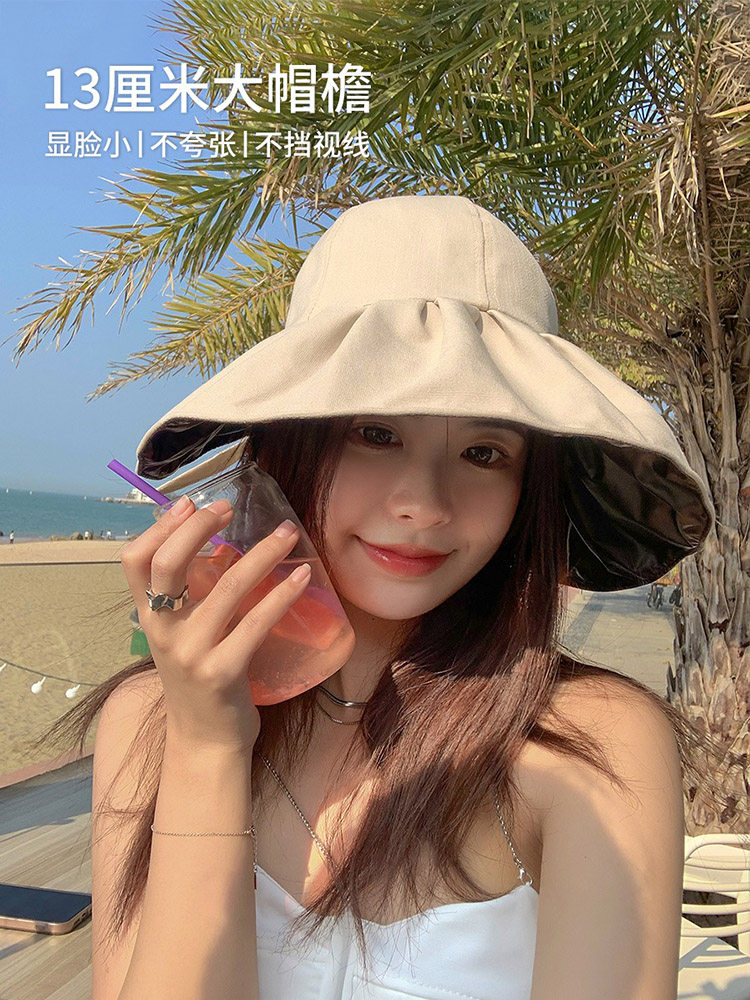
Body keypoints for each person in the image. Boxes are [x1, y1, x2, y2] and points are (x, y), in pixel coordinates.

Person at [81, 196, 718, 999]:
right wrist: (207, 749)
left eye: (484, 452)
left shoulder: (591, 740)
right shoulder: (151, 720)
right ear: (287, 445)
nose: (424, 503)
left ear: (528, 488)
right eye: (375, 434)